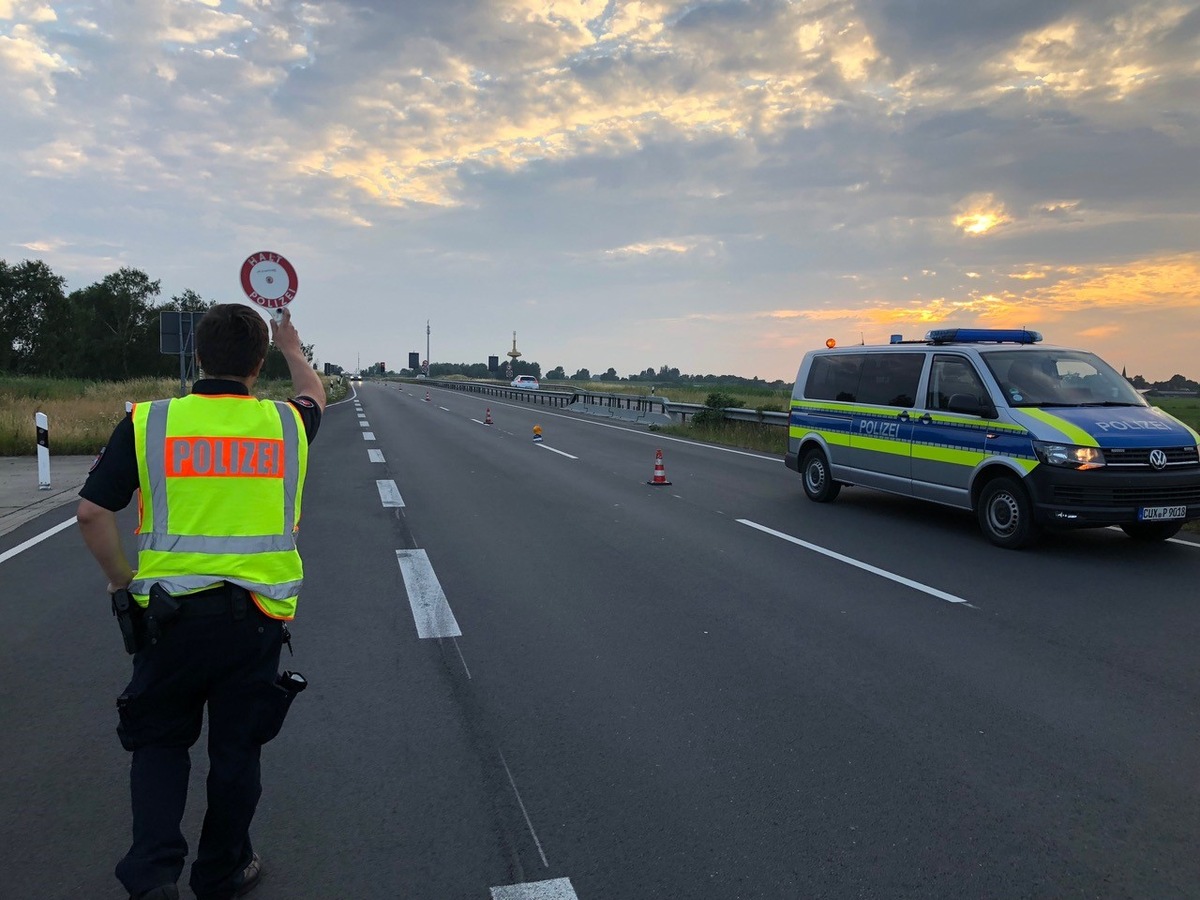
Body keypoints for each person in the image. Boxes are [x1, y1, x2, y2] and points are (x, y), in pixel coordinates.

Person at [77, 304, 326, 900]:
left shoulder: (149, 422)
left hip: (168, 619)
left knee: (160, 740)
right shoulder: (287, 425)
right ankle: (222, 871)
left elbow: (91, 513)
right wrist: (293, 345)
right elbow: (313, 392)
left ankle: (154, 873)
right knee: (236, 750)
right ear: (258, 364)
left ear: (197, 357)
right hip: (256, 620)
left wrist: (121, 583)